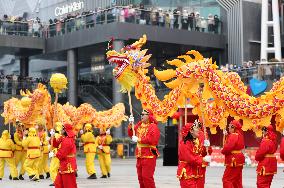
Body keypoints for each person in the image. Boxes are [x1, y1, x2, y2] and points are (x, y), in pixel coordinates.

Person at [128, 109, 160, 188]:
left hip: (149, 154)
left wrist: (139, 139)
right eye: (141, 114)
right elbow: (131, 134)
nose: (141, 115)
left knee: (147, 177)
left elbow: (152, 139)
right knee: (140, 178)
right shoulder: (139, 125)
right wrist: (130, 124)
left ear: (149, 116)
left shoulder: (153, 127)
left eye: (144, 114)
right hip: (139, 154)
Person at [177, 123, 211, 187]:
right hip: (187, 171)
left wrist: (208, 146)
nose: (198, 130)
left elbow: (203, 153)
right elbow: (190, 158)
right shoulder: (185, 143)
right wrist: (203, 159)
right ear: (191, 131)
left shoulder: (193, 142)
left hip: (194, 170)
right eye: (196, 128)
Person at [221, 120, 245, 188]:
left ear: (233, 127)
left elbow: (228, 147)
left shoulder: (233, 135)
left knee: (227, 180)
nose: (228, 128)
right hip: (239, 158)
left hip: (233, 159)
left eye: (229, 127)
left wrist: (223, 151)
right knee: (237, 181)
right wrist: (227, 136)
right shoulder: (239, 134)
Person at [53, 123, 77, 188]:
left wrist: (55, 154)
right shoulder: (65, 138)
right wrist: (53, 136)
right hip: (64, 163)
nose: (61, 130)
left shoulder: (67, 140)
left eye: (62, 129)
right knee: (58, 183)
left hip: (67, 164)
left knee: (69, 184)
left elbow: (62, 153)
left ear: (65, 130)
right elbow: (56, 144)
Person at [196, 119, 212, 188]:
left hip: (196, 159)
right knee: (200, 180)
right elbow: (208, 150)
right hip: (200, 159)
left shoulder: (203, 134)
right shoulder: (204, 134)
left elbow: (208, 149)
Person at [49, 122, 63, 186]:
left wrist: (52, 136)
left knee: (53, 168)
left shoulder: (57, 135)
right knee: (57, 168)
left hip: (56, 152)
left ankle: (56, 181)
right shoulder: (62, 135)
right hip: (59, 152)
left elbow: (54, 143)